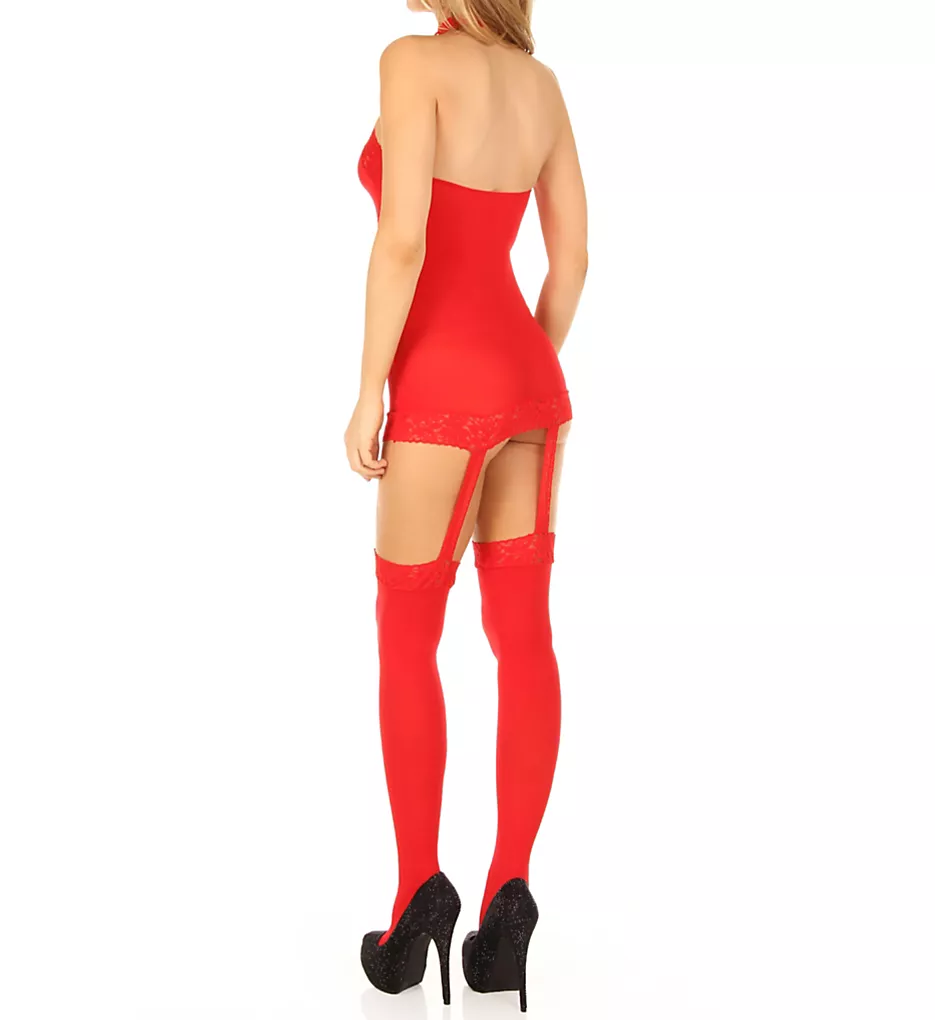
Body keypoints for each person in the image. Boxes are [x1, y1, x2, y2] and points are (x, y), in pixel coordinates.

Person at [346, 1, 587, 1011]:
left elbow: (403, 241)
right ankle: (509, 898)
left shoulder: (412, 63)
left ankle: (417, 898)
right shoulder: (540, 87)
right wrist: (517, 370)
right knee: (523, 639)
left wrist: (371, 390)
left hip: (439, 386)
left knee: (408, 636)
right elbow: (570, 263)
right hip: (529, 381)